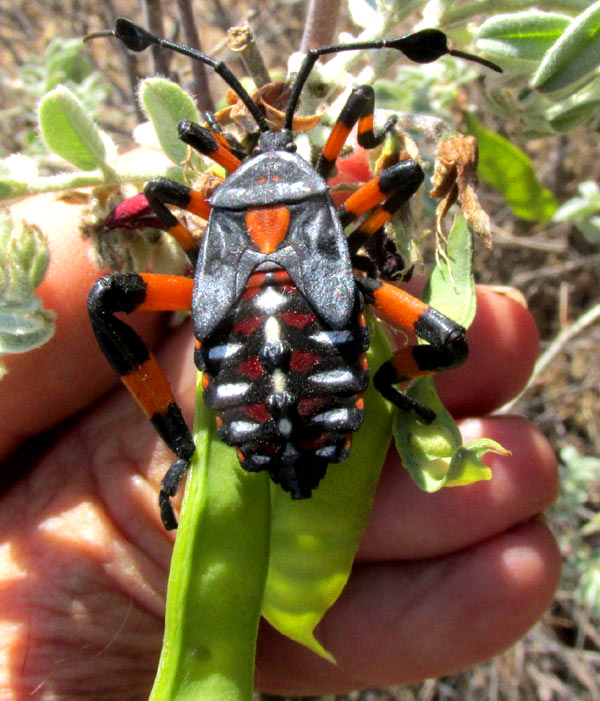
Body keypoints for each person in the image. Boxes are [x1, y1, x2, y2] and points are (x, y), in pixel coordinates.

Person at [0, 186, 560, 698]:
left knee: (107, 296)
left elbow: (163, 198)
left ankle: (181, 444)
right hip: (322, 364)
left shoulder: (210, 202)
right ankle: (374, 386)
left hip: (259, 366)